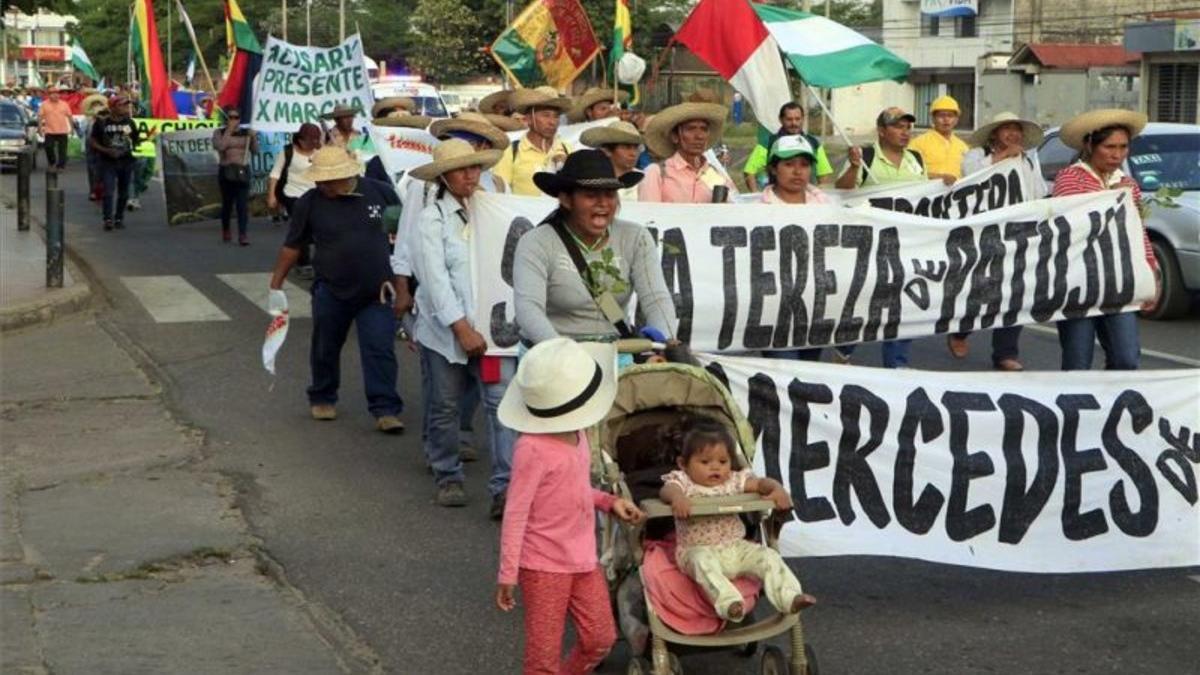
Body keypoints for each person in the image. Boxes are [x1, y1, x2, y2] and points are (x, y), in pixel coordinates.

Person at [494, 338, 645, 675]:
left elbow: (573, 490)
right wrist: (508, 572)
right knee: (542, 657)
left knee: (601, 638)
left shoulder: (577, 435)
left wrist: (609, 501)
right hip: (543, 566)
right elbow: (516, 513)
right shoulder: (531, 449)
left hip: (582, 559)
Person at [406, 139, 518, 512]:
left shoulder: (496, 210)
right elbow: (435, 281)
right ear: (444, 176)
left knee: (500, 407)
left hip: (493, 329)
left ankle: (504, 486)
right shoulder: (431, 218)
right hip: (445, 333)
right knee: (445, 405)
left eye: (475, 168)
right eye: (461, 170)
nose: (471, 176)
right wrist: (460, 328)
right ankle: (447, 474)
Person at [267, 146, 406, 432]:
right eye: (318, 180)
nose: (321, 185)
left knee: (379, 349)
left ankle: (385, 409)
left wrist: (405, 286)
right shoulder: (309, 202)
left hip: (377, 291)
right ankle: (323, 395)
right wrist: (276, 282)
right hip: (331, 290)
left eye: (326, 181)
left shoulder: (381, 193)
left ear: (345, 176)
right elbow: (293, 245)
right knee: (325, 347)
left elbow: (403, 239)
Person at [657, 418, 815, 622]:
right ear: (683, 464)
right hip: (698, 549)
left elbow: (760, 484)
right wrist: (677, 498)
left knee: (768, 556)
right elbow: (667, 489)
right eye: (705, 462)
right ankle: (730, 603)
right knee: (701, 562)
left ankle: (790, 597)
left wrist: (776, 489)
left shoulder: (733, 480)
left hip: (735, 547)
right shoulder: (683, 482)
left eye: (723, 462)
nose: (716, 468)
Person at [513, 150, 676, 346]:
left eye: (610, 195)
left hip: (618, 350)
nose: (603, 204)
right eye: (591, 196)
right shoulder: (536, 242)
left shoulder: (636, 237)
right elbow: (528, 309)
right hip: (552, 353)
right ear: (566, 200)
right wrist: (564, 354)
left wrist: (665, 344)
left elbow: (656, 298)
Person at [1051, 109, 1159, 371]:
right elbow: (1075, 225)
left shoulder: (1129, 184)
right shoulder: (1069, 178)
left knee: (1126, 358)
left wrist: (1151, 271)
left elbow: (1136, 232)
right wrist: (1112, 197)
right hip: (1079, 283)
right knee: (1078, 361)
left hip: (1118, 281)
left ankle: (1113, 405)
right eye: (1109, 147)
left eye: (1123, 147)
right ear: (1090, 145)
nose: (1117, 155)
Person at [949, 111, 1049, 370]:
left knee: (1015, 292)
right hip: (985, 234)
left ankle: (1006, 353)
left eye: (1017, 130)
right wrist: (1002, 157)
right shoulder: (977, 155)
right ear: (995, 133)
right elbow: (969, 177)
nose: (1013, 134)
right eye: (1007, 129)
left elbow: (1038, 191)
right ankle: (961, 330)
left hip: (1019, 234)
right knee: (982, 289)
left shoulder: (1028, 159)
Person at [833, 107, 927, 368]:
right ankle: (845, 344)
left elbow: (926, 194)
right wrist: (853, 167)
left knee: (904, 305)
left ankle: (896, 363)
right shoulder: (866, 156)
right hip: (869, 245)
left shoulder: (916, 159)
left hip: (906, 244)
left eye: (907, 127)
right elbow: (842, 188)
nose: (905, 132)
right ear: (882, 131)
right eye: (898, 127)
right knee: (866, 303)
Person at [638, 101, 737, 203]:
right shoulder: (657, 173)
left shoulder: (714, 174)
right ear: (675, 136)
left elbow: (734, 207)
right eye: (691, 129)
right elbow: (648, 216)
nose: (699, 136)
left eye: (704, 129)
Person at [493, 86, 573, 196]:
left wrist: (568, 167)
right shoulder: (511, 152)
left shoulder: (568, 150)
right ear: (529, 119)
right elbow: (500, 194)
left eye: (556, 116)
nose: (552, 122)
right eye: (546, 115)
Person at [742, 102, 834, 191]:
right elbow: (749, 171)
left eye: (797, 119)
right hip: (777, 201)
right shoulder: (769, 143)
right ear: (781, 120)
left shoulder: (813, 143)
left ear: (803, 119)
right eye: (789, 119)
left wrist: (817, 197)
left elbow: (823, 174)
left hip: (806, 201)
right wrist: (755, 197)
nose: (794, 123)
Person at [89, 95, 140, 232]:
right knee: (109, 191)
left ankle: (119, 217)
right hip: (107, 162)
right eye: (122, 105)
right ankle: (108, 219)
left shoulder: (129, 123)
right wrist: (106, 150)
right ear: (112, 107)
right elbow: (93, 141)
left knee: (124, 193)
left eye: (126, 105)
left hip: (126, 161)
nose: (125, 107)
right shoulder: (102, 123)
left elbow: (136, 140)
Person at [213, 107, 259, 245]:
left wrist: (254, 137)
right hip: (226, 171)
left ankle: (243, 234)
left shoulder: (246, 133)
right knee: (227, 204)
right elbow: (220, 147)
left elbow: (256, 151)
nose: (234, 120)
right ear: (226, 119)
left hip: (242, 171)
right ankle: (226, 229)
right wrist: (229, 131)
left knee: (242, 205)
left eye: (236, 117)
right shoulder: (219, 132)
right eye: (231, 117)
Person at [908, 95, 968, 187]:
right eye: (941, 115)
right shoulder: (918, 143)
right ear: (933, 118)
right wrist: (938, 177)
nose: (946, 119)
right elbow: (909, 173)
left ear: (956, 120)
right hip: (928, 196)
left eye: (950, 116)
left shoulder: (963, 147)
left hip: (955, 198)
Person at [267, 122, 322, 218]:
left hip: (314, 196)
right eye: (310, 141)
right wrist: (272, 196)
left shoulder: (319, 152)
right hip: (293, 195)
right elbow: (275, 175)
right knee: (301, 222)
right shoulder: (288, 152)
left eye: (316, 140)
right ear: (301, 140)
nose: (313, 143)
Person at [579, 121, 644, 202]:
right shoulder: (593, 181)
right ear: (607, 151)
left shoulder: (644, 179)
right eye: (626, 147)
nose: (633, 153)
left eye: (636, 148)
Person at [37, 87, 73, 172]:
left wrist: (72, 128)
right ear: (49, 95)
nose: (55, 95)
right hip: (49, 130)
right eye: (52, 93)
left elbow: (70, 116)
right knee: (48, 147)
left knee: (62, 150)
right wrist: (39, 129)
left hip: (62, 130)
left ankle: (61, 166)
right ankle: (52, 163)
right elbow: (40, 117)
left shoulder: (64, 104)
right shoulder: (44, 104)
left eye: (57, 93)